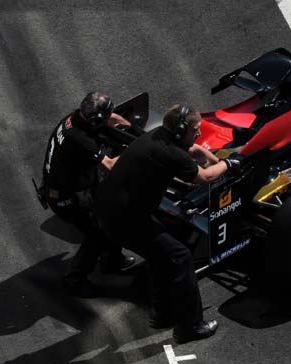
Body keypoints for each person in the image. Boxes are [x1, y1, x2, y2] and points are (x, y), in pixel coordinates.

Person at [94, 104, 239, 343]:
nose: (199, 134)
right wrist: (229, 164)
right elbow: (205, 178)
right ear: (181, 130)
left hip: (111, 209)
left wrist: (213, 158)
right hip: (124, 220)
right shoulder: (171, 153)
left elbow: (194, 151)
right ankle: (189, 327)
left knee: (161, 257)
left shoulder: (158, 137)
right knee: (180, 257)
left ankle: (162, 314)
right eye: (195, 129)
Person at [41, 91, 135, 297]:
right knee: (97, 233)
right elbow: (109, 165)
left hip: (71, 184)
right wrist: (137, 148)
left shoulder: (76, 117)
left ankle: (112, 260)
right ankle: (75, 280)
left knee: (107, 215)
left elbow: (110, 117)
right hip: (66, 197)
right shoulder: (80, 139)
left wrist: (129, 127)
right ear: (95, 120)